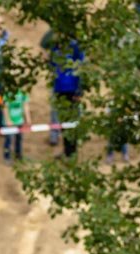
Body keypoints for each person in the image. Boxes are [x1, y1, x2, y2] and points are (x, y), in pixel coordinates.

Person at [41, 30, 84, 158]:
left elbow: (81, 67)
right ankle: (67, 152)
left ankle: (72, 153)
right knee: (64, 122)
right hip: (59, 89)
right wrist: (46, 60)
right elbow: (53, 65)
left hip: (72, 88)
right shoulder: (55, 48)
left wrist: (79, 90)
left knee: (72, 121)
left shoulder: (74, 47)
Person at [3, 88, 30, 163]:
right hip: (10, 122)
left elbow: (25, 105)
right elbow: (5, 107)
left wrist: (27, 119)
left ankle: (19, 155)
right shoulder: (7, 92)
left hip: (19, 120)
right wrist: (8, 120)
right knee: (9, 139)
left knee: (19, 138)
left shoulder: (23, 92)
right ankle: (7, 156)